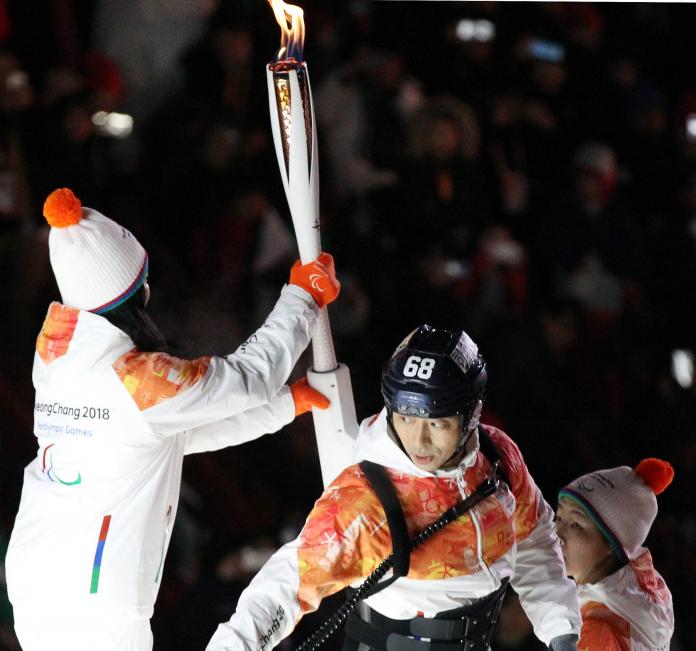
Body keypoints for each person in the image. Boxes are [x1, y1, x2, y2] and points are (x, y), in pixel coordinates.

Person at [4, 187, 340, 651]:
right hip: (97, 602)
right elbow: (248, 376)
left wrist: (284, 406)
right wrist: (302, 298)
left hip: (38, 578)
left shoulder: (60, 363)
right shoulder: (136, 382)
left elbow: (167, 437)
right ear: (129, 293)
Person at [207, 324, 581, 651]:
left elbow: (534, 539)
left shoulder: (499, 457)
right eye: (404, 418)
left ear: (471, 416)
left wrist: (560, 628)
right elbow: (285, 584)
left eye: (437, 424)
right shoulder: (364, 502)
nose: (419, 441)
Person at [556, 458, 675, 650]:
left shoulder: (595, 629)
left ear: (612, 544)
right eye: (558, 517)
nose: (557, 534)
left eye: (576, 525)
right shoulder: (642, 592)